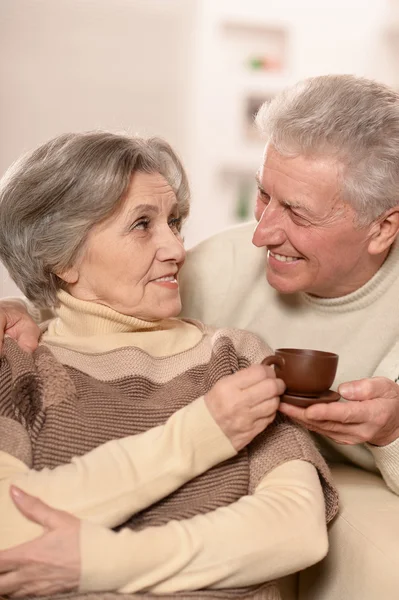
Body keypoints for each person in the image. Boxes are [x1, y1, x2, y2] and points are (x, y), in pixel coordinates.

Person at [0, 131, 338, 599]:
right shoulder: (21, 365)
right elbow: (7, 527)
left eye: (174, 222)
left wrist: (101, 564)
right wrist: (202, 433)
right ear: (61, 258)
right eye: (142, 224)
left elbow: (296, 528)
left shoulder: (234, 357)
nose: (177, 250)